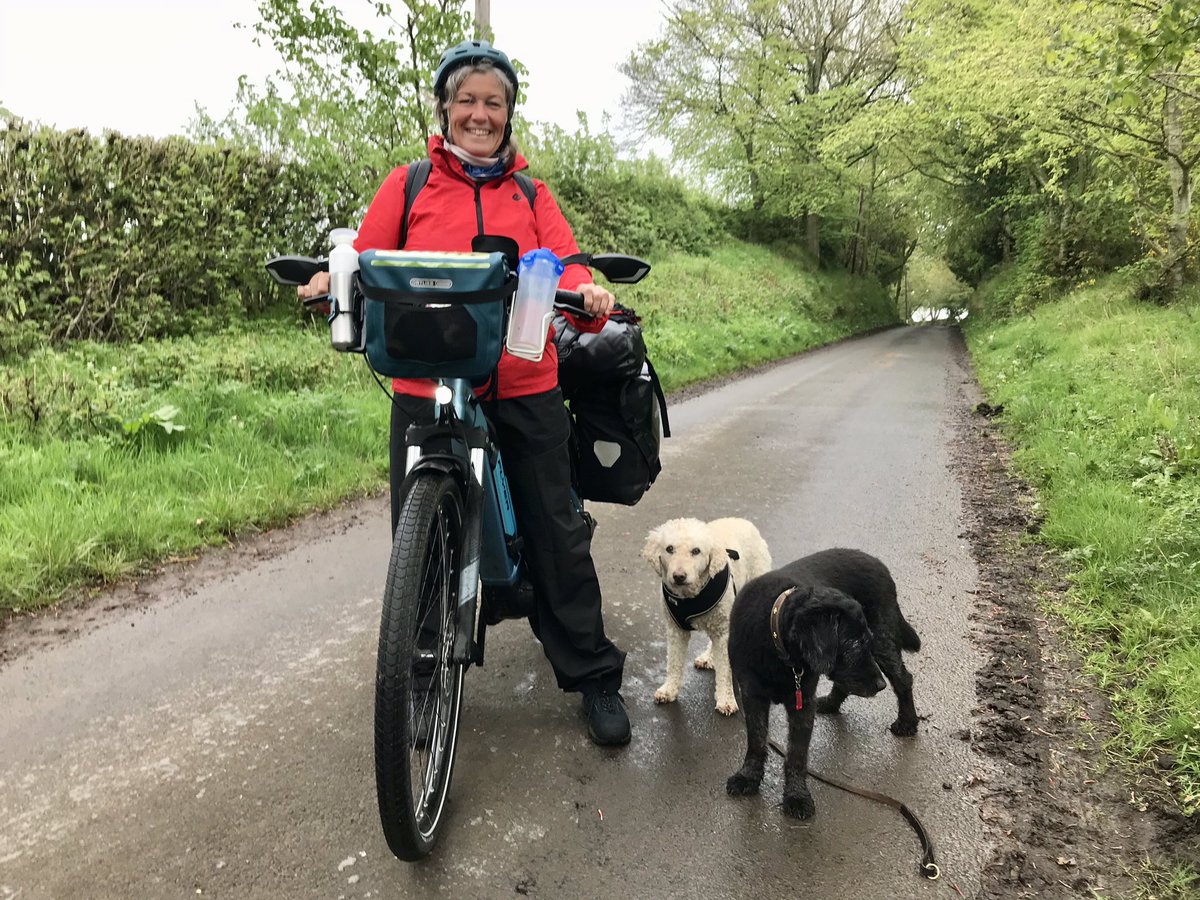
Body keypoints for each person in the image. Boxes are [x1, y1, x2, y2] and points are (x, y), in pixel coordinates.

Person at [298, 40, 630, 746]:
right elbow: (363, 254)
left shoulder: (531, 195)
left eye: (494, 103)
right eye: (468, 101)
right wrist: (333, 280)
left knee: (557, 532)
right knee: (415, 539)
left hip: (522, 378)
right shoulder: (410, 184)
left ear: (508, 116)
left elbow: (564, 262)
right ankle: (418, 675)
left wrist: (587, 289)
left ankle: (593, 674)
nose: (480, 113)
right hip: (424, 379)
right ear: (445, 109)